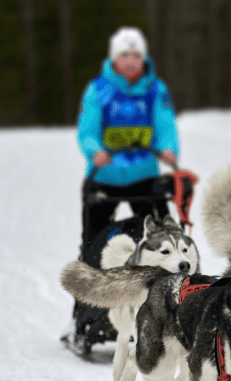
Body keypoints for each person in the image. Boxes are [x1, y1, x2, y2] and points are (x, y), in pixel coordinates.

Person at [76, 26, 180, 258]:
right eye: (124, 55)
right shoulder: (98, 89)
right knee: (93, 242)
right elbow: (87, 129)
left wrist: (168, 148)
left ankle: (165, 285)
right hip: (104, 176)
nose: (131, 61)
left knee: (162, 238)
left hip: (144, 175)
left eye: (136, 56)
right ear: (113, 59)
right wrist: (95, 152)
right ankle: (89, 284)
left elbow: (166, 124)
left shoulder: (155, 89)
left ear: (144, 59)